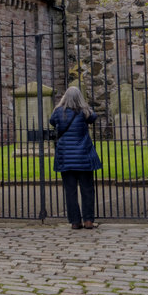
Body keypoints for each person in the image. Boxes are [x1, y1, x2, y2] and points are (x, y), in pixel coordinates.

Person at [49, 86, 102, 229]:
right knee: (87, 190)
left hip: (66, 158)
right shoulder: (84, 112)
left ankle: (75, 222)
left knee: (70, 191)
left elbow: (52, 122)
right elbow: (93, 117)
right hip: (83, 157)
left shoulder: (58, 112)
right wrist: (84, 105)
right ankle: (89, 220)